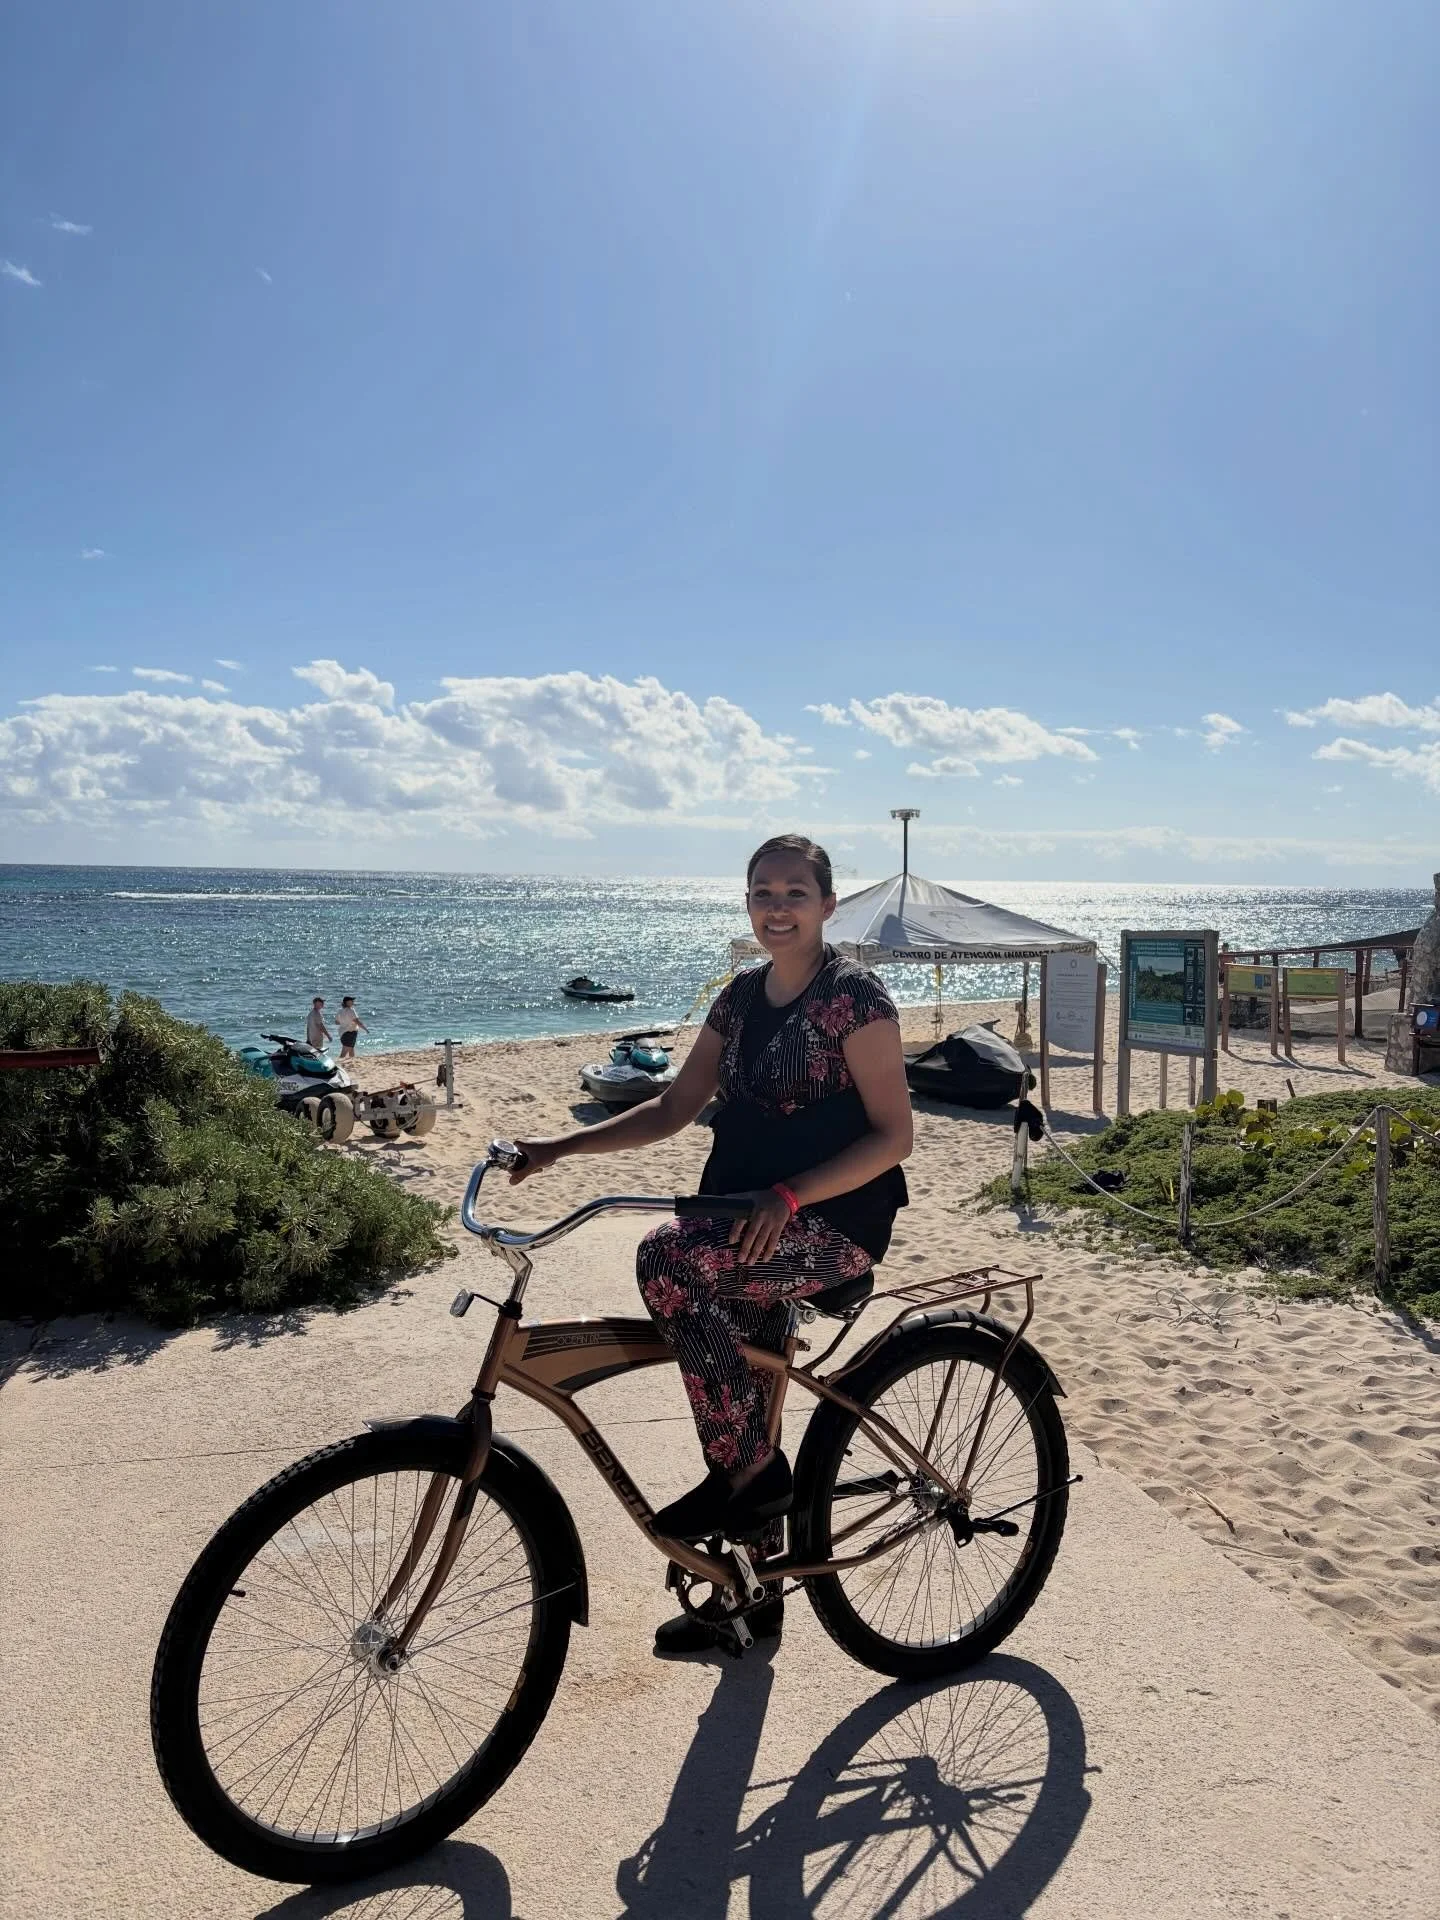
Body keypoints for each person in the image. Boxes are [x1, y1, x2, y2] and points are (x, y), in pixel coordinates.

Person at [511, 833, 913, 1652]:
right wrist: (558, 1149)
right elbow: (672, 1108)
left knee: (668, 1261)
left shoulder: (855, 1000)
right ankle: (752, 1594)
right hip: (744, 1221)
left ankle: (753, 1481)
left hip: (833, 1225)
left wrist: (790, 1193)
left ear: (828, 906)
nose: (777, 906)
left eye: (795, 892)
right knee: (734, 1393)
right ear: (747, 903)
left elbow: (894, 1136)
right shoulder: (737, 1001)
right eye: (762, 891)